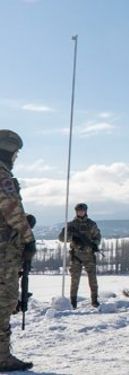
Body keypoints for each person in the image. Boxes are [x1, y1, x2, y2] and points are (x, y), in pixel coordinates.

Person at [0, 129, 35, 371]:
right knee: (5, 300)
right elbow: (12, 211)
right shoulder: (3, 177)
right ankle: (2, 357)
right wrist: (28, 239)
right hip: (4, 252)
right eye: (16, 154)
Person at [58, 203, 102, 309]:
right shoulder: (71, 225)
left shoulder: (91, 224)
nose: (80, 212)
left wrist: (94, 245)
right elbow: (62, 238)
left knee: (93, 280)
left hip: (89, 256)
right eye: (79, 211)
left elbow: (97, 236)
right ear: (76, 211)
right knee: (74, 280)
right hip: (76, 256)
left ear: (86, 211)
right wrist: (69, 234)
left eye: (82, 210)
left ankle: (94, 300)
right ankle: (73, 302)